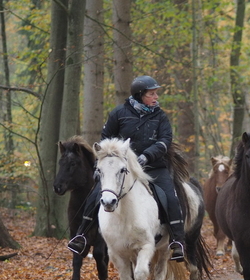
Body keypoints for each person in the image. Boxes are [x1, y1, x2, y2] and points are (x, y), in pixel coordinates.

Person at [67, 75, 186, 261]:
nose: (156, 97)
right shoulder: (119, 113)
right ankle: (81, 236)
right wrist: (113, 157)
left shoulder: (160, 116)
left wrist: (147, 155)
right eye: (152, 94)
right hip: (122, 168)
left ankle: (177, 241)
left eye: (156, 93)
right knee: (95, 194)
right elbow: (106, 137)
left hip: (153, 166)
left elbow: (165, 141)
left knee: (170, 196)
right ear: (139, 95)